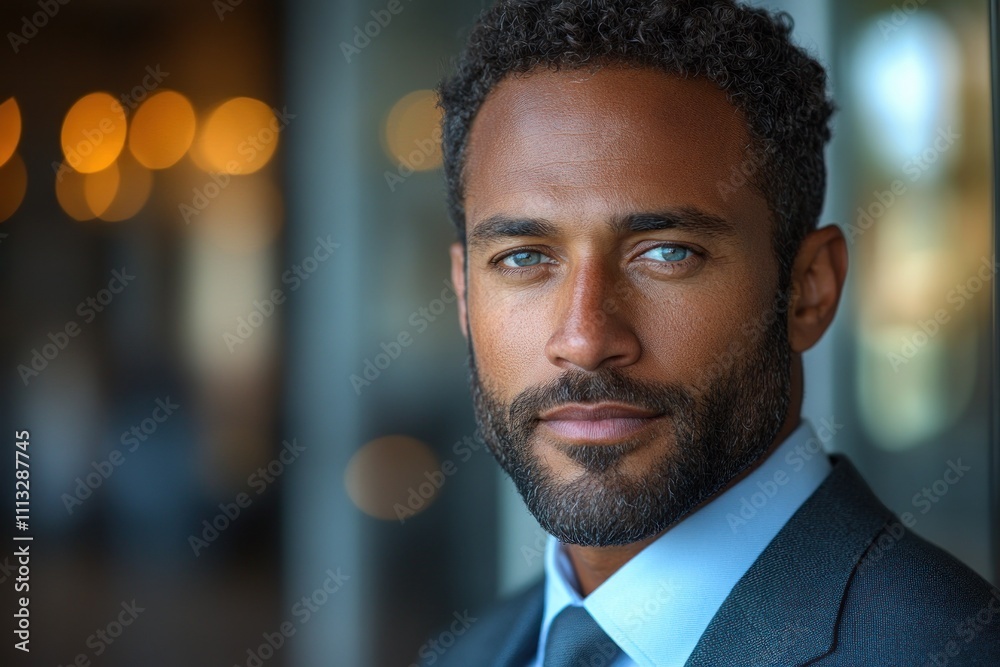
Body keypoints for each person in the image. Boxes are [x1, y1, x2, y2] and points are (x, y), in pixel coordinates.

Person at [421, 0, 1000, 664]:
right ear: (465, 291)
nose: (584, 338)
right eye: (524, 258)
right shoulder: (467, 653)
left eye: (668, 253)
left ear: (809, 288)